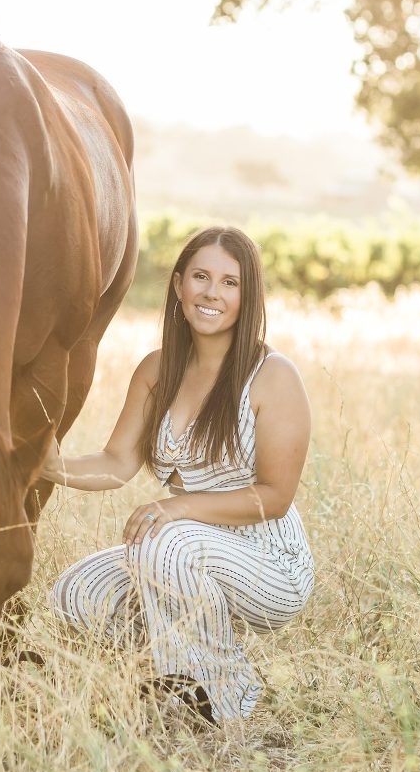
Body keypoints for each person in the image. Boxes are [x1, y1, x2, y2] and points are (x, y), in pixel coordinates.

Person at [41, 226, 314, 726]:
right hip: (181, 552)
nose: (212, 293)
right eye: (201, 277)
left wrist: (177, 506)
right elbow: (117, 463)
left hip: (270, 561)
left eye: (230, 283)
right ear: (178, 285)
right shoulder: (156, 369)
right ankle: (164, 675)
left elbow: (274, 497)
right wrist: (50, 465)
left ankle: (223, 697)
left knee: (164, 543)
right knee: (76, 593)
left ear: (247, 295)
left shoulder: (274, 376)